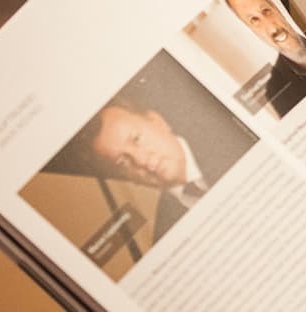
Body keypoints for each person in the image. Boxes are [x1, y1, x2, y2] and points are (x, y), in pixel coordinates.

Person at [81, 99, 255, 242]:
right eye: (123, 162)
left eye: (136, 139)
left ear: (158, 121)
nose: (141, 160)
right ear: (126, 178)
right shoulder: (165, 235)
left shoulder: (236, 133)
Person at [222, 0, 306, 117]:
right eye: (254, 20)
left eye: (266, 11)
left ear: (276, 7)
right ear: (250, 29)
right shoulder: (276, 91)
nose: (272, 28)